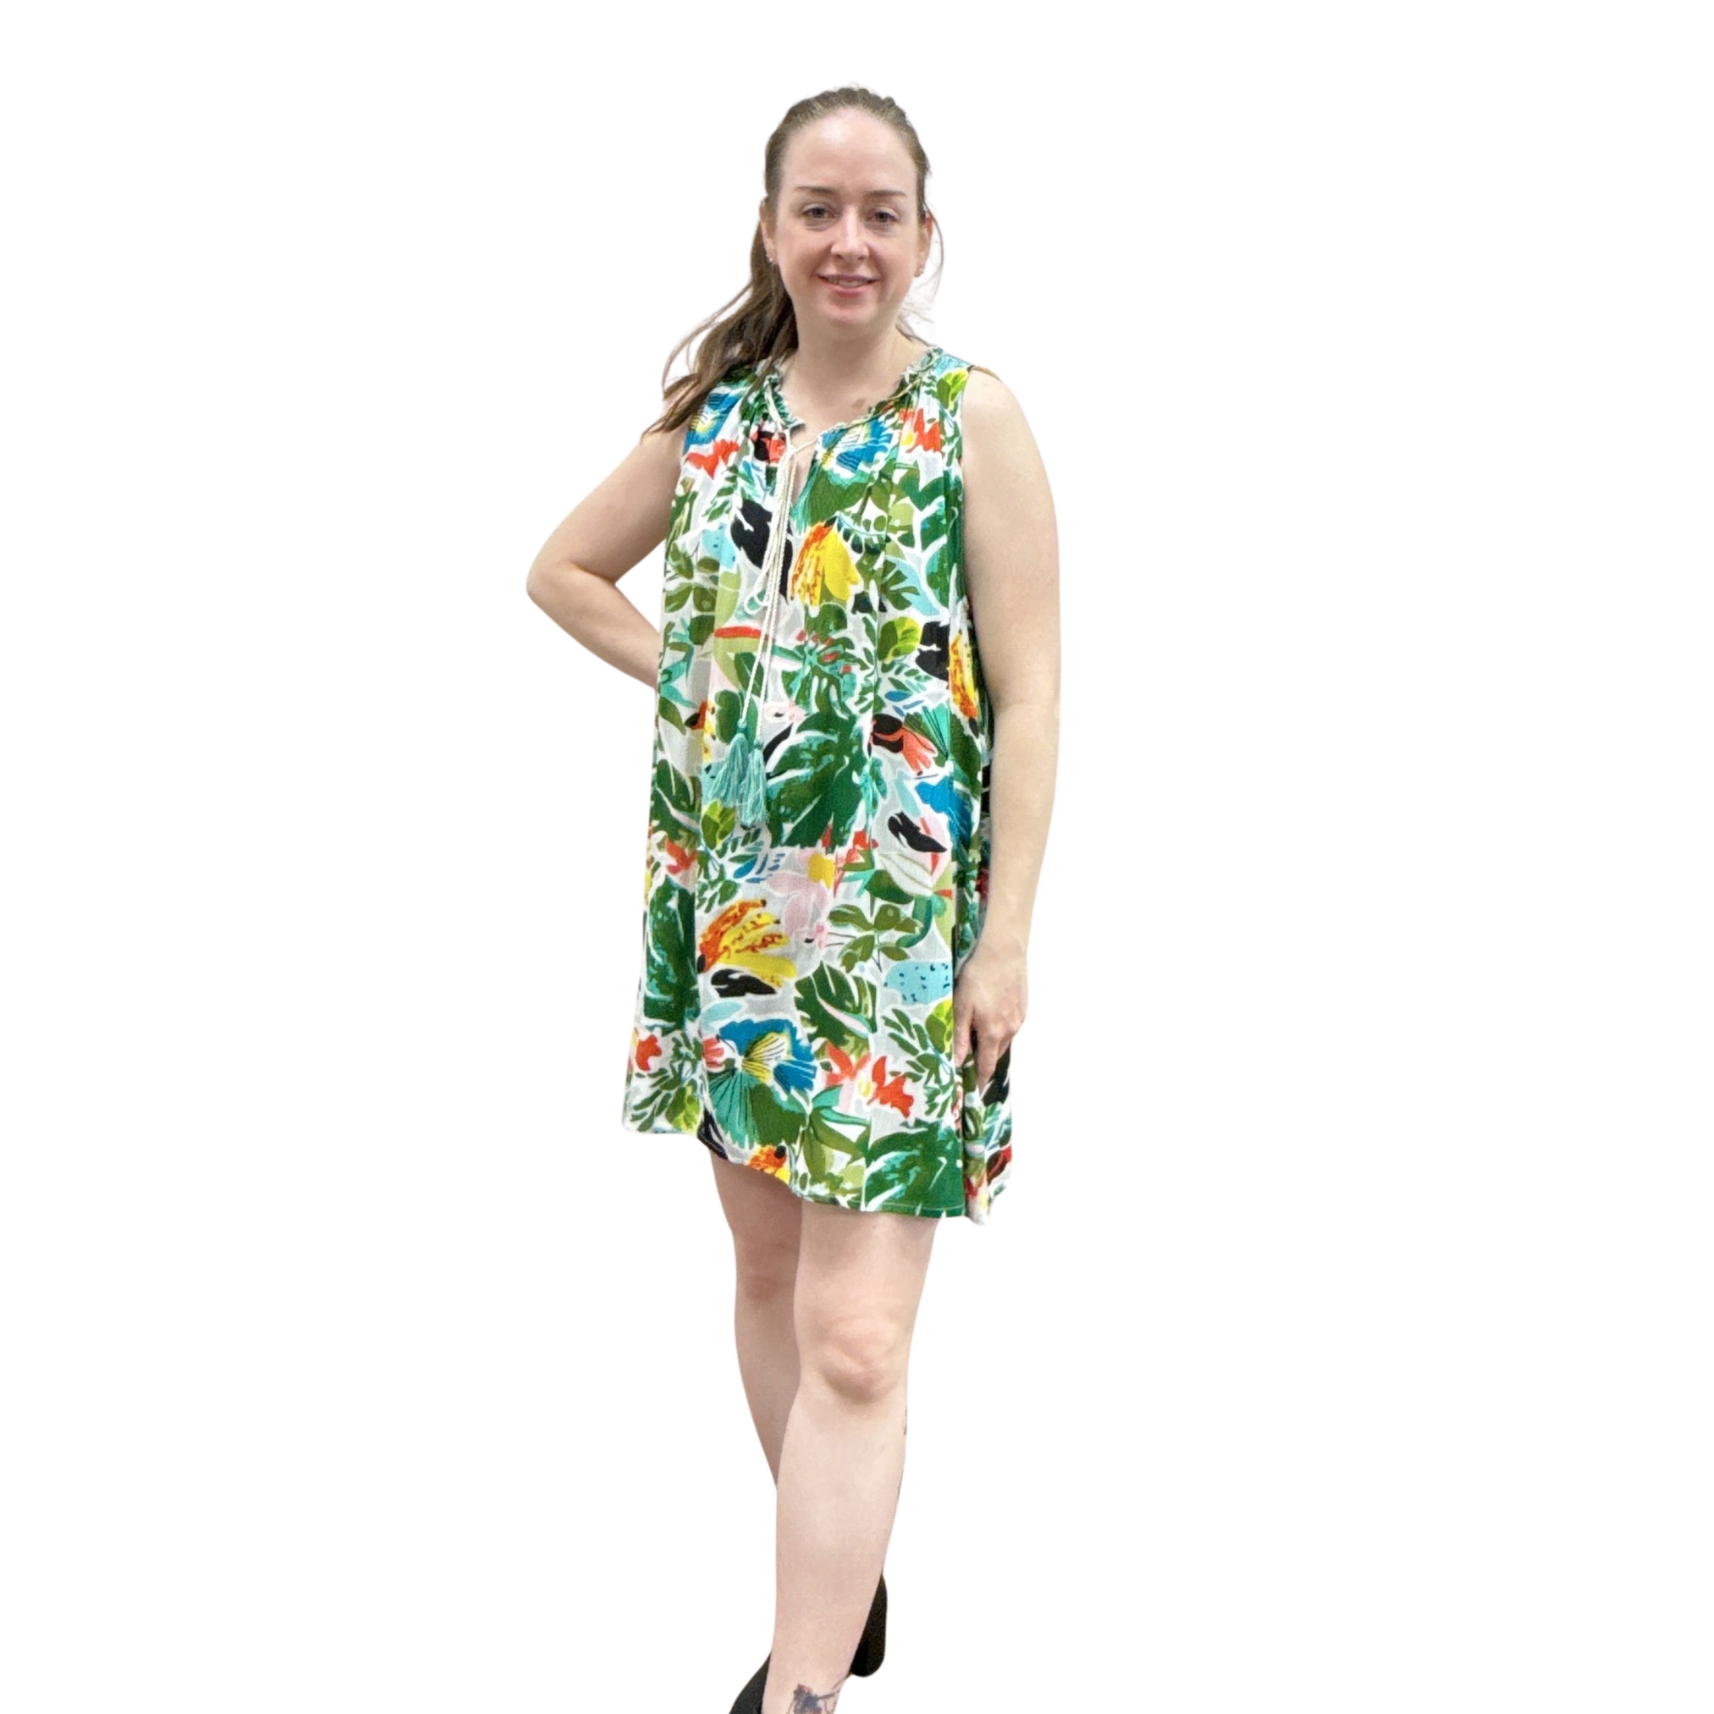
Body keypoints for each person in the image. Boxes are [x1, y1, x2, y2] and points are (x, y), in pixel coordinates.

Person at [526, 85, 1058, 1714]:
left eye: (878, 211)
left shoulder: (972, 419)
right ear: (770, 228)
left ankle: (804, 1690)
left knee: (858, 1342)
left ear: (921, 233)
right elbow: (559, 569)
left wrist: (1006, 934)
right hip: (733, 916)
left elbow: (1030, 691)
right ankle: (843, 1559)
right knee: (766, 1279)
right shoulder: (719, 419)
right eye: (817, 209)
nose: (848, 241)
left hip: (900, 943)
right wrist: (692, 665)